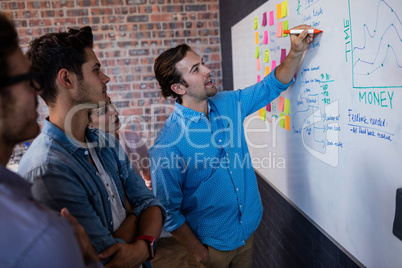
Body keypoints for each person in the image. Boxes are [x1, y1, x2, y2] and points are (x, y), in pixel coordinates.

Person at [149, 25, 317, 267]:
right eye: (196, 69)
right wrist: (199, 253)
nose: (208, 70)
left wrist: (296, 50)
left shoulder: (227, 103)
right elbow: (169, 211)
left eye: (203, 63)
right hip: (210, 248)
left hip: (245, 234)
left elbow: (271, 85)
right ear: (178, 88)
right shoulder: (168, 145)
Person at [18, 25, 165, 268]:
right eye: (96, 69)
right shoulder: (48, 169)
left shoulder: (106, 140)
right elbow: (105, 256)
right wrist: (138, 224)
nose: (106, 78)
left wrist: (142, 246)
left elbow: (151, 204)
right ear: (67, 79)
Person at [0, 13, 101, 267]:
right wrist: (88, 260)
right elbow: (107, 251)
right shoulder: (44, 235)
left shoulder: (101, 141)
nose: (37, 89)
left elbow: (147, 204)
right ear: (66, 79)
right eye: (25, 80)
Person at [88, 96, 152, 190]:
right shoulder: (88, 155)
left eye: (110, 103)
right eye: (103, 111)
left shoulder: (133, 140)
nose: (114, 112)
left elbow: (151, 178)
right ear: (88, 124)